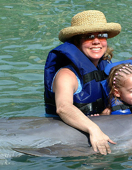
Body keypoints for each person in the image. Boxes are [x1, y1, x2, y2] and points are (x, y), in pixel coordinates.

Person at [44, 10, 121, 155]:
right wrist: (93, 129)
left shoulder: (103, 67)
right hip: (61, 142)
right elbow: (63, 107)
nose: (97, 41)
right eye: (89, 36)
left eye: (102, 35)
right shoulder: (66, 75)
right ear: (76, 42)